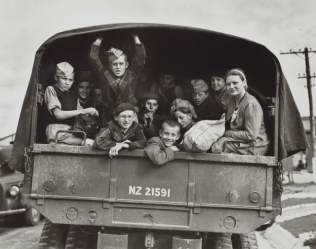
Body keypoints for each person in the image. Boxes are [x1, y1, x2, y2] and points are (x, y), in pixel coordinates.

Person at [211, 68, 270, 155]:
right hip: (240, 141)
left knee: (217, 148)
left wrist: (228, 133)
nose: (231, 87)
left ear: (244, 83)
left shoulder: (250, 104)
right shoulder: (232, 99)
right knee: (211, 143)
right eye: (228, 84)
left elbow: (251, 135)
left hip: (254, 145)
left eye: (235, 83)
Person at [89, 32, 146, 120]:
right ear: (109, 66)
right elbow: (93, 58)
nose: (118, 67)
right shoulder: (103, 74)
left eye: (121, 64)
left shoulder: (132, 74)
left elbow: (140, 58)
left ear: (126, 64)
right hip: (109, 116)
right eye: (115, 64)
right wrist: (100, 36)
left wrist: (135, 36)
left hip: (129, 116)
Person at [44, 62, 98, 145]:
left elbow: (80, 113)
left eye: (70, 80)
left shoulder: (73, 94)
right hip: (57, 131)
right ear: (56, 77)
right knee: (88, 143)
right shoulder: (51, 89)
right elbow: (58, 115)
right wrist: (85, 111)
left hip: (72, 131)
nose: (67, 83)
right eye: (64, 79)